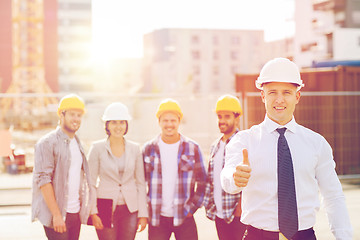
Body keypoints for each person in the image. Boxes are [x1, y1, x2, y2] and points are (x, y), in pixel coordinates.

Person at [221, 58, 353, 240]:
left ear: (297, 97)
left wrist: (344, 237)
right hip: (258, 236)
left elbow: (333, 195)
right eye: (272, 92)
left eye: (287, 92)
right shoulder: (244, 141)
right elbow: (227, 179)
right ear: (263, 96)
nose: (279, 99)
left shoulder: (316, 143)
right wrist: (235, 178)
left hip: (304, 236)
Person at [142, 98, 207, 240]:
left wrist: (192, 208)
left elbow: (203, 181)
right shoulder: (148, 149)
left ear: (179, 121)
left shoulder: (192, 148)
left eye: (173, 120)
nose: (169, 124)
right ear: (159, 122)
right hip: (157, 219)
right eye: (165, 120)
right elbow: (140, 183)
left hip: (184, 217)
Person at [32, 94, 92, 240]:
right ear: (61, 114)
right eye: (72, 114)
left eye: (79, 115)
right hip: (58, 215)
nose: (76, 119)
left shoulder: (78, 144)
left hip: (74, 213)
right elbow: (44, 181)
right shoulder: (47, 143)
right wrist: (57, 215)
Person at [87, 102, 148, 240]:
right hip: (104, 207)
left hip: (130, 209)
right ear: (107, 125)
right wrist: (93, 212)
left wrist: (143, 214)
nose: (118, 126)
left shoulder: (135, 149)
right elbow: (90, 182)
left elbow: (140, 183)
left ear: (127, 124)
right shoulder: (97, 148)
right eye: (114, 122)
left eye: (122, 122)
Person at [203, 95, 246, 240]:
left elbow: (249, 177)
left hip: (237, 215)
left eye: (227, 116)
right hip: (220, 214)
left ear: (237, 118)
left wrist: (240, 208)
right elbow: (211, 179)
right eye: (219, 116)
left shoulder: (243, 142)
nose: (222, 121)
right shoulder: (215, 145)